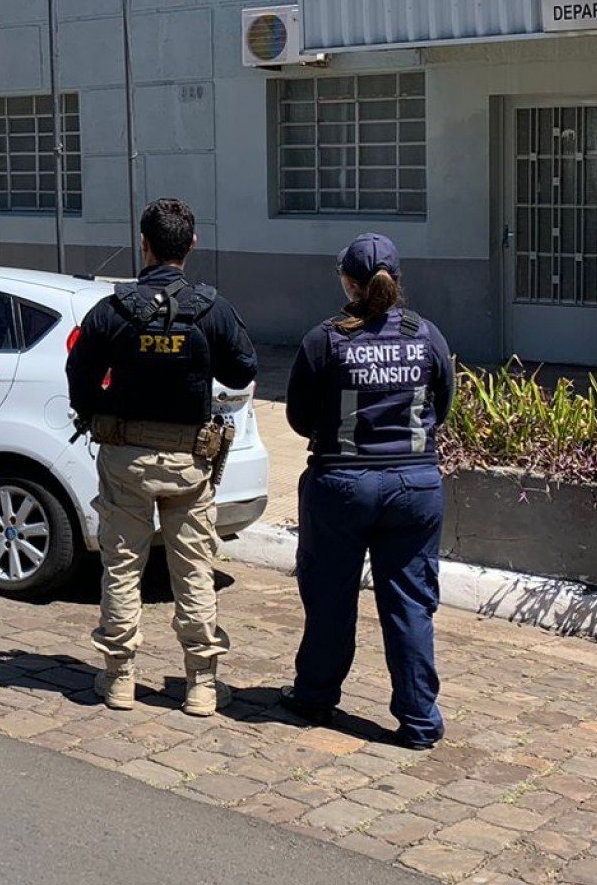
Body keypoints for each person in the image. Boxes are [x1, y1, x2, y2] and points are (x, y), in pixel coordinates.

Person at [66, 198, 260, 717]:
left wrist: (104, 410)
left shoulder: (112, 309)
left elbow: (79, 379)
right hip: (189, 462)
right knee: (194, 570)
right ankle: (200, 684)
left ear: (143, 243)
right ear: (191, 245)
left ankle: (120, 678)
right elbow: (243, 370)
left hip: (125, 456)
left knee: (122, 567)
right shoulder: (210, 308)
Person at [282, 233, 455, 749]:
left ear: (348, 281)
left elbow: (297, 416)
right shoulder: (427, 336)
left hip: (342, 486)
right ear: (396, 282)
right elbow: (440, 408)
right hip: (415, 487)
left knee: (331, 597)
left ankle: (315, 696)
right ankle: (419, 719)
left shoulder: (324, 339)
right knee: (409, 605)